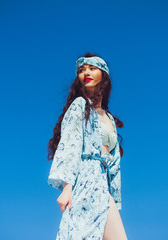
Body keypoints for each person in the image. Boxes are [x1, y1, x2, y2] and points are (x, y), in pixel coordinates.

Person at [47, 52, 128, 239]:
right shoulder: (79, 105)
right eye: (82, 70)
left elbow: (114, 163)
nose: (86, 73)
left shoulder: (109, 119)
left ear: (104, 75)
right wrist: (67, 188)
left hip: (103, 186)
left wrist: (114, 199)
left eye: (92, 68)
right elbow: (70, 145)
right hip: (83, 181)